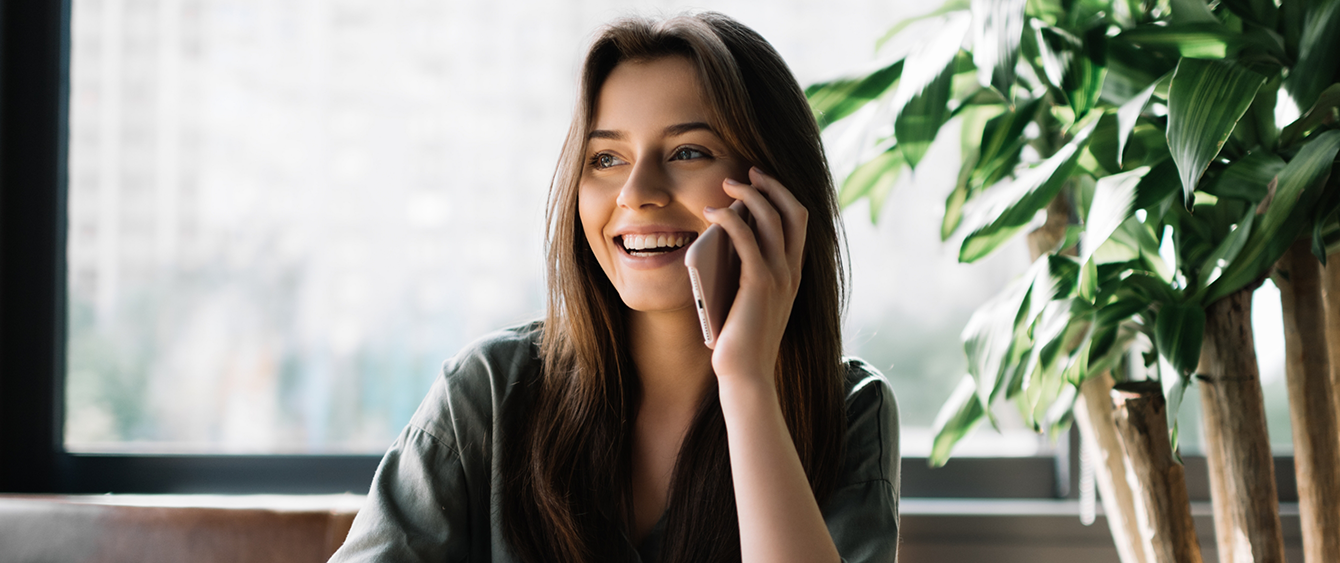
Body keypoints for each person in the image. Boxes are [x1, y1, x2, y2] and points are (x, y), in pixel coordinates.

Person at [329, 12, 899, 563]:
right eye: (606, 158)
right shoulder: (486, 395)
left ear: (773, 192)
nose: (636, 192)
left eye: (687, 152)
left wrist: (747, 381)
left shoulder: (850, 412)